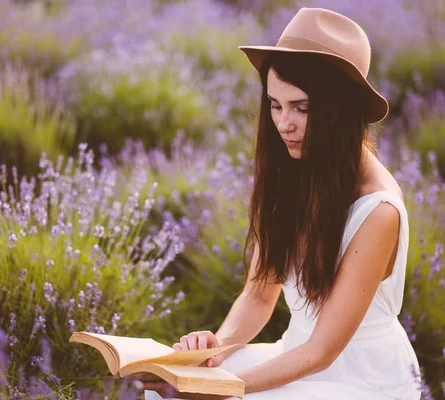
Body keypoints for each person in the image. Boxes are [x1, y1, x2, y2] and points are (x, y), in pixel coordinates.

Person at [143, 7, 422, 400]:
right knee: (164, 391)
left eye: (301, 108)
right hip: (296, 356)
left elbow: (322, 350)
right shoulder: (293, 170)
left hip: (360, 378)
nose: (283, 123)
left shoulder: (377, 209)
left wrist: (223, 387)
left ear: (340, 111)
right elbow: (259, 295)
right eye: (276, 105)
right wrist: (212, 354)